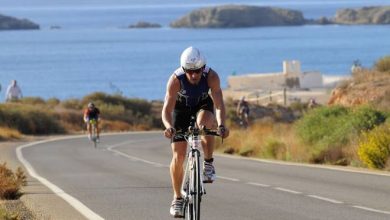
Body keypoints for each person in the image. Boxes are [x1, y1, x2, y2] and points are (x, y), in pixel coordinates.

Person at [162, 46, 229, 218]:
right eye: (189, 71)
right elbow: (166, 110)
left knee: (205, 123)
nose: (193, 75)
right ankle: (177, 198)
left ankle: (208, 163)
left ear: (203, 68)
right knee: (179, 156)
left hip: (202, 105)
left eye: (197, 71)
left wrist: (221, 125)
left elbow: (220, 105)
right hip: (180, 109)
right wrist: (169, 126)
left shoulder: (212, 77)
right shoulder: (176, 79)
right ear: (184, 69)